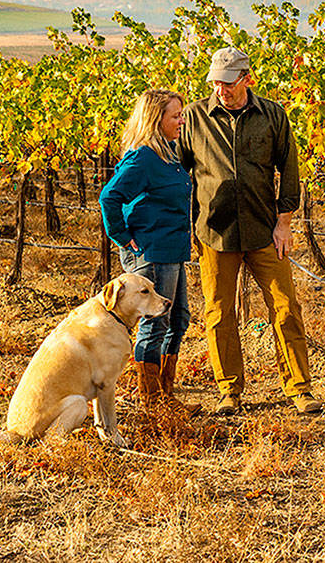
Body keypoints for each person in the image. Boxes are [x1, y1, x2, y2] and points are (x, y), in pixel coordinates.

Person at [179, 46, 321, 416]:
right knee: (218, 313)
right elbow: (179, 173)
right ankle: (229, 390)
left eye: (228, 83)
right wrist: (186, 225)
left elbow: (288, 169)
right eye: (215, 83)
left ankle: (299, 388)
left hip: (264, 229)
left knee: (286, 307)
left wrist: (285, 221)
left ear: (247, 79)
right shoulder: (194, 117)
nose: (221, 90)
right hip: (215, 232)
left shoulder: (272, 114)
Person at [99, 88, 197, 414]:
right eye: (175, 116)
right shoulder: (142, 158)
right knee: (155, 324)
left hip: (172, 250)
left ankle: (165, 395)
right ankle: (153, 403)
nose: (181, 120)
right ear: (157, 120)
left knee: (177, 320)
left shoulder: (168, 153)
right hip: (152, 254)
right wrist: (123, 238)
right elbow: (109, 199)